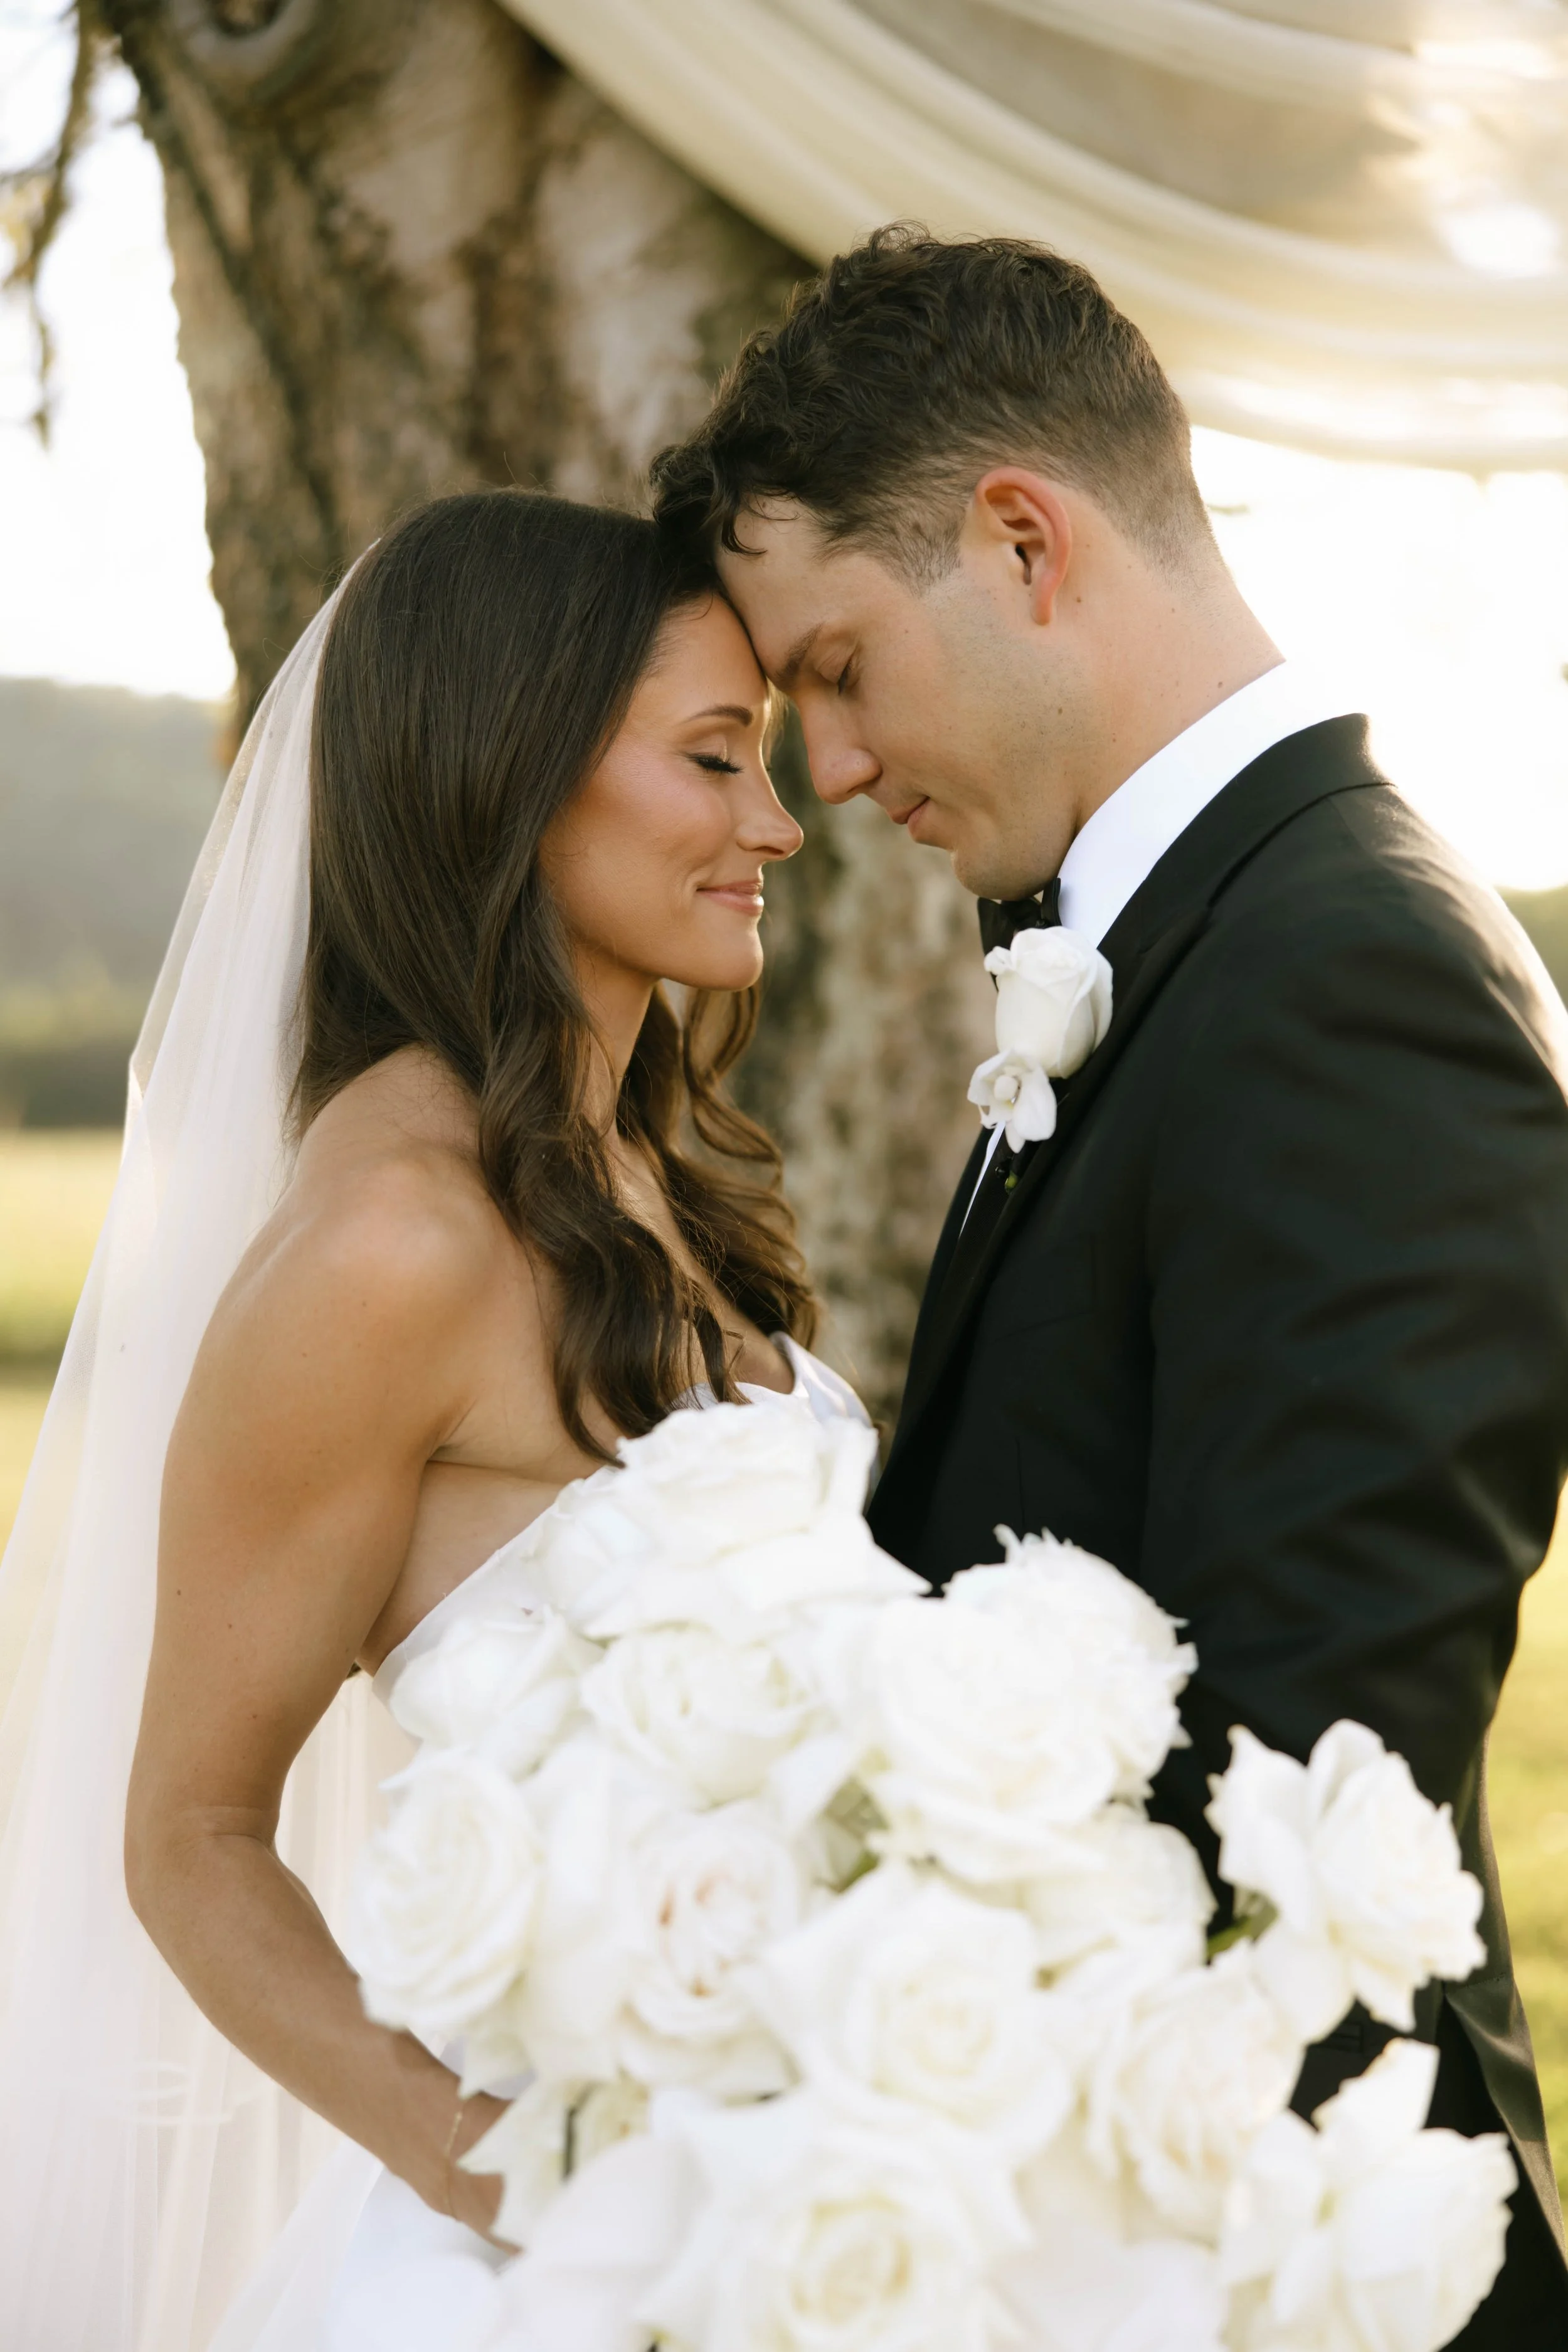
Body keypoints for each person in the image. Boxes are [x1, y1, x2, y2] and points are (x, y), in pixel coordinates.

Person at [650, 225, 1568, 2343]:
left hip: (1258, 2253)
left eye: (837, 669)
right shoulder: (1187, 941)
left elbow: (1303, 1781)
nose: (829, 772)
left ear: (1020, 541)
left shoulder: (1347, 979)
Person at [0, 489, 870, 2349]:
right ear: (512, 776)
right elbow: (190, 1835)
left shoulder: (633, 1172)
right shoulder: (391, 1240)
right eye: (714, 757)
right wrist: (512, 2178)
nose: (777, 823)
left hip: (818, 2175)